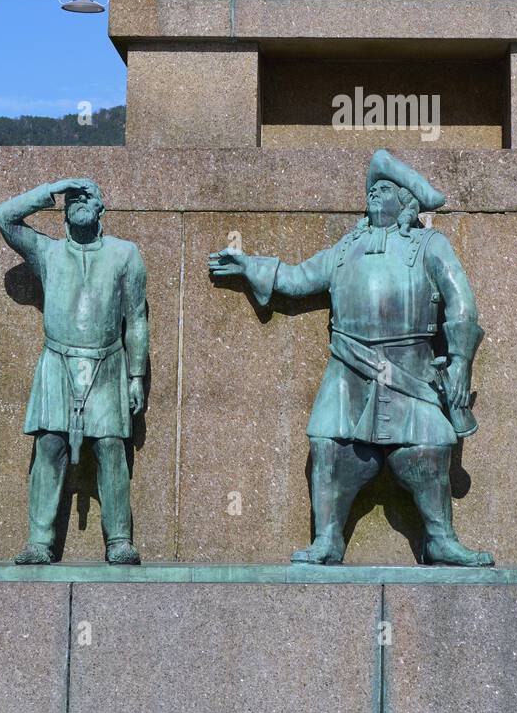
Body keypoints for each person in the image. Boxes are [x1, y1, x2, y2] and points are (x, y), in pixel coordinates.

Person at [208, 150, 494, 567]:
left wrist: (460, 361)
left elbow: (462, 305)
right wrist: (252, 265)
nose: (374, 195)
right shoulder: (345, 248)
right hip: (349, 368)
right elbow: (297, 278)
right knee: (328, 445)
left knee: (429, 448)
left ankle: (440, 538)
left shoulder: (432, 245)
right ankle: (327, 538)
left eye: (384, 189)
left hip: (411, 368)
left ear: (407, 202)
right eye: (371, 190)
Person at [0, 179, 148, 565]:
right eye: (72, 199)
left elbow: (137, 320)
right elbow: (4, 217)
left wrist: (135, 376)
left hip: (108, 361)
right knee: (49, 445)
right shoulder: (48, 252)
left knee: (111, 448)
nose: (78, 202)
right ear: (62, 210)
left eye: (87, 197)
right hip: (58, 362)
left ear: (101, 209)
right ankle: (39, 541)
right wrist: (54, 187)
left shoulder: (125, 254)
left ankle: (118, 540)